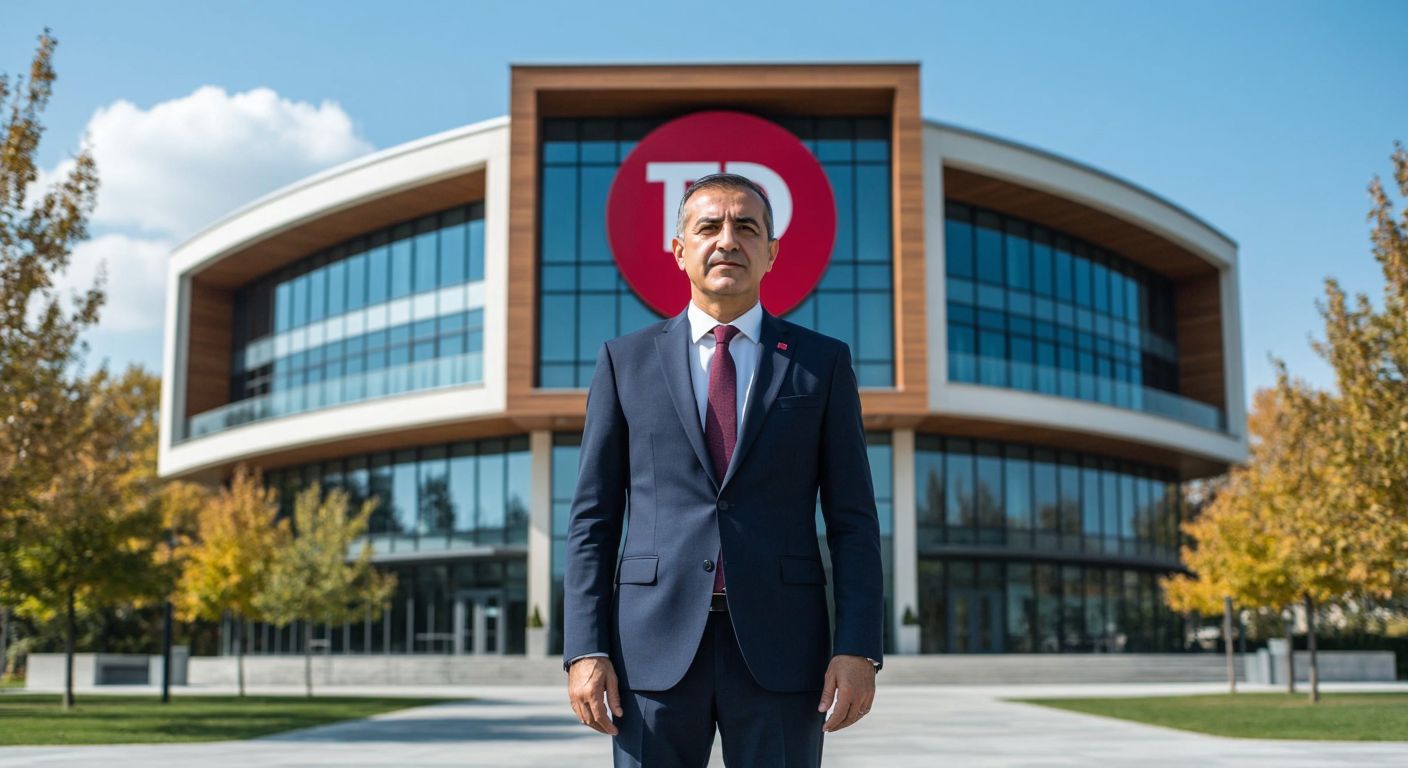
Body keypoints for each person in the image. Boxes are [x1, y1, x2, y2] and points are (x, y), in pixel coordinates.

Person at [563, 172, 883, 767]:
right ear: (680, 250)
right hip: (649, 653)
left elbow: (854, 521)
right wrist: (585, 648)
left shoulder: (821, 364)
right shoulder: (623, 363)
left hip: (783, 651)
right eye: (708, 227)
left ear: (771, 252)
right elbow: (592, 521)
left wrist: (859, 646)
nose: (727, 240)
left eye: (747, 227)